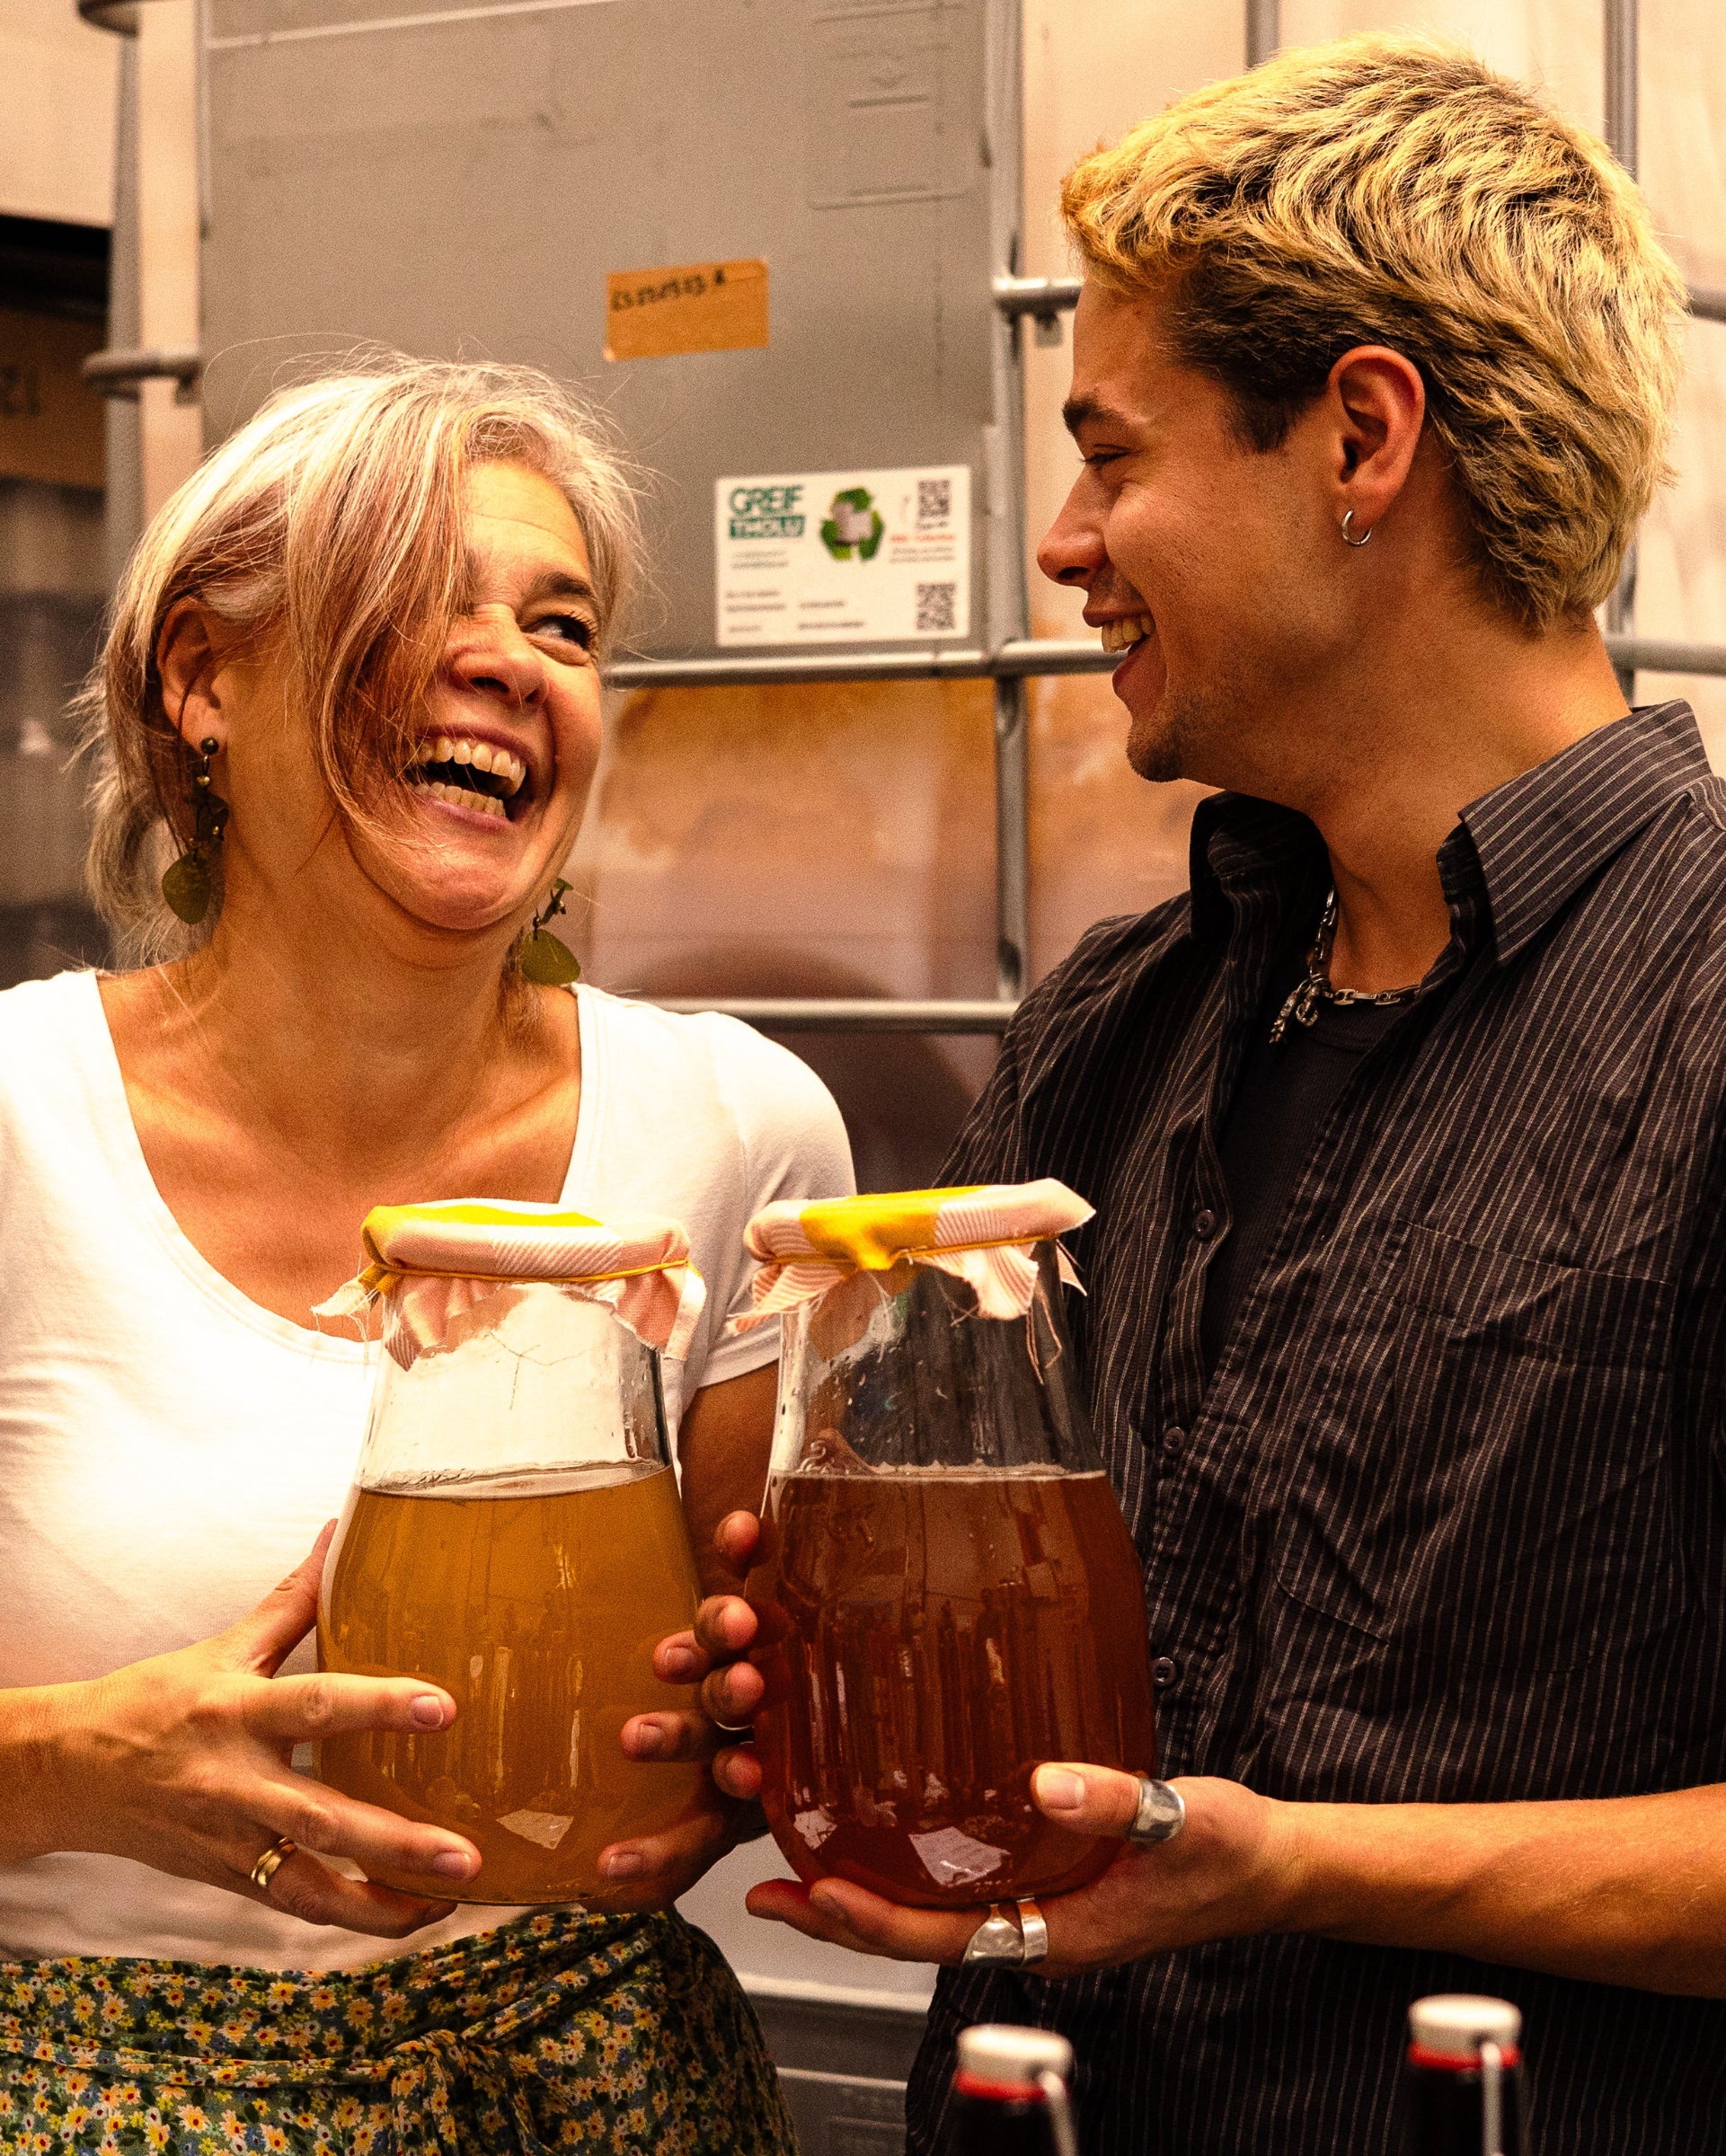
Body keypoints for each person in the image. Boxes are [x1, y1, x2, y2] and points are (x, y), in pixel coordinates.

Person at [674, 33, 1726, 2155]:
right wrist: (792, 1683)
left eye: (1111, 453)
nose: (1061, 541)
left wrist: (1296, 1859)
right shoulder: (1113, 1024)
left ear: (1358, 435)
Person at [0, 360, 853, 2152]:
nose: (512, 662)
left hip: (597, 2088)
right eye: (418, 601)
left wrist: (751, 1760)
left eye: (564, 623)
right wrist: (65, 1764)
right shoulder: (18, 1124)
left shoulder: (740, 1136)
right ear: (203, 680)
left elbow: (760, 1707)